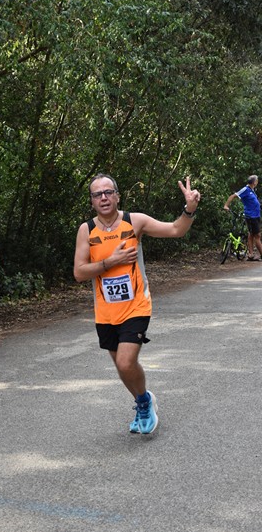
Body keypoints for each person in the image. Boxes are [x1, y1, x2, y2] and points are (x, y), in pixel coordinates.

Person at [73, 174, 201, 434]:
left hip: (136, 306)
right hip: (105, 311)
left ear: (118, 196)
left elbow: (176, 230)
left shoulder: (135, 221)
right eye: (98, 194)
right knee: (122, 367)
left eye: (108, 192)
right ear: (92, 201)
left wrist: (189, 209)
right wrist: (112, 260)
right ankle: (143, 399)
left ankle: (143, 403)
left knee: (125, 363)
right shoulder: (87, 230)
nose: (104, 198)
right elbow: (79, 272)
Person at [223, 175, 262, 260]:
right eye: (257, 181)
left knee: (251, 234)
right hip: (251, 216)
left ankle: (251, 255)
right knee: (257, 235)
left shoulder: (252, 190)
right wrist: (226, 205)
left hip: (256, 215)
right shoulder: (245, 189)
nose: (257, 182)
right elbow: (233, 196)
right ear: (254, 182)